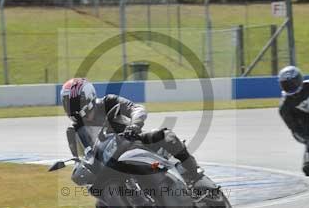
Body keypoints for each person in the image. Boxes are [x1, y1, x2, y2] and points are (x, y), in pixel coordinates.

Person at [60, 78, 203, 183]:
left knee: (167, 137)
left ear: (88, 97)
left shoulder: (108, 102)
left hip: (134, 141)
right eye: (68, 103)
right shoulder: (74, 131)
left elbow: (136, 109)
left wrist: (134, 125)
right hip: (109, 164)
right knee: (101, 201)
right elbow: (80, 158)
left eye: (75, 102)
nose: (72, 107)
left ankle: (195, 174)